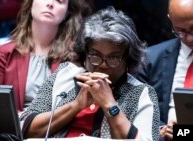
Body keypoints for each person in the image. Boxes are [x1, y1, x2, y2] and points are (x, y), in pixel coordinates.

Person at [20, 6, 160, 140]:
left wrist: (110, 105)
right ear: (85, 53)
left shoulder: (141, 93)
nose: (103, 65)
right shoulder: (64, 75)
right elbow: (24, 128)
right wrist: (76, 105)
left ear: (128, 59)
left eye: (113, 58)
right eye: (95, 55)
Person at [0, 0, 87, 111]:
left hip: (58, 125)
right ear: (30, 4)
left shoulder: (76, 55)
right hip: (13, 126)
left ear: (67, 12)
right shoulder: (6, 53)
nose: (50, 4)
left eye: (59, 1)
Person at [135, 0, 193, 140]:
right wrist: (162, 130)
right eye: (180, 31)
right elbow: (137, 109)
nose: (190, 38)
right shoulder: (149, 60)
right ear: (170, 20)